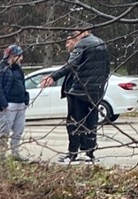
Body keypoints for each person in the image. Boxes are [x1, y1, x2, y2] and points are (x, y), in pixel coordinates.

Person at [41, 26, 110, 164]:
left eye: (75, 34)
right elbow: (107, 68)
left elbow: (71, 64)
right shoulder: (102, 44)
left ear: (84, 32)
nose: (74, 37)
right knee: (91, 122)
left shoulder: (82, 44)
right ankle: (89, 152)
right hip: (95, 91)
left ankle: (73, 153)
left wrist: (53, 77)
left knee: (74, 123)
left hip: (79, 91)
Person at [0, 44, 31, 160]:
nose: (21, 58)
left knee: (18, 131)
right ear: (11, 56)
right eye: (18, 56)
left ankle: (15, 153)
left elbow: (22, 84)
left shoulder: (18, 69)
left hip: (20, 104)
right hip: (7, 105)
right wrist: (4, 103)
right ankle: (1, 155)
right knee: (4, 132)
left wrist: (25, 99)